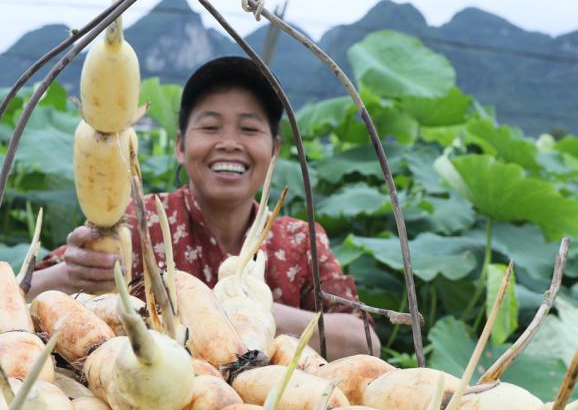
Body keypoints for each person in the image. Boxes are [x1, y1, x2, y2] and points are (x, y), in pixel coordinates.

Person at [28, 56, 377, 358]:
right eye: (210, 127)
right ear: (180, 146)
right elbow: (17, 295)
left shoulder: (300, 242)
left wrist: (251, 309)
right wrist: (73, 274)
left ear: (275, 149)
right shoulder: (137, 223)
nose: (229, 143)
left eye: (249, 128)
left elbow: (365, 342)